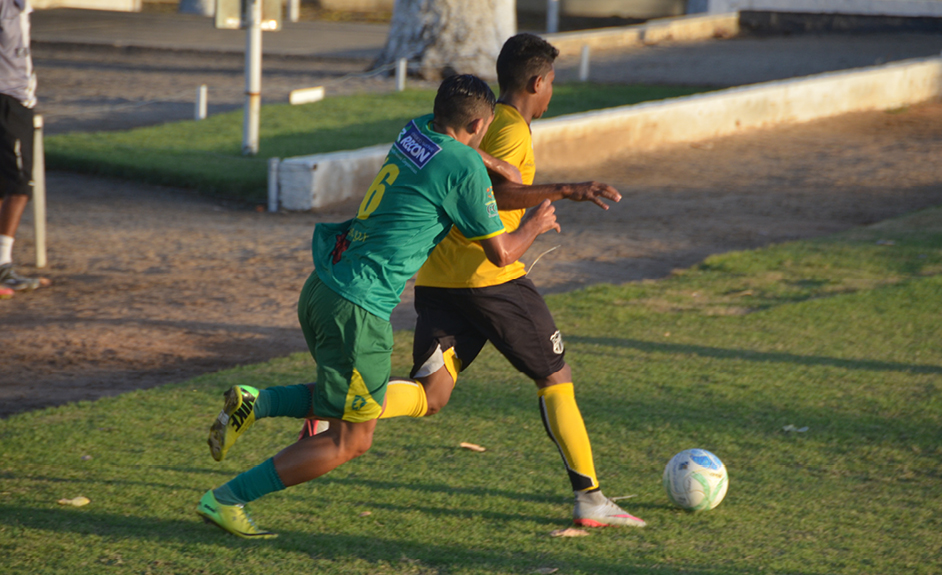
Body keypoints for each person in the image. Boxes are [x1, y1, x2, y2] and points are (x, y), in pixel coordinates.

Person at [196, 74, 561, 539]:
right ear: (478, 123)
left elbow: (462, 149)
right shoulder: (463, 168)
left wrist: (492, 162)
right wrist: (536, 220)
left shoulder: (416, 131)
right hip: (358, 309)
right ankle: (226, 499)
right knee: (351, 438)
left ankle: (259, 401)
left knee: (348, 401)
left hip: (323, 286)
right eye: (486, 129)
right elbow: (503, 252)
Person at [303, 34, 645, 528]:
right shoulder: (508, 129)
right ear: (537, 82)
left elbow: (467, 170)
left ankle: (332, 413)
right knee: (555, 376)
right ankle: (590, 499)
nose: (553, 92)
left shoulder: (473, 124)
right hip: (490, 278)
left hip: (441, 280)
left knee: (432, 394)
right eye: (552, 83)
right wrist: (563, 195)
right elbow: (495, 194)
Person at [0, 0, 42, 294]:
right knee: (18, 184)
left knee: (10, 183)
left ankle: (2, 265)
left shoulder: (20, 7)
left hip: (19, 100)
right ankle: (2, 265)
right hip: (6, 100)